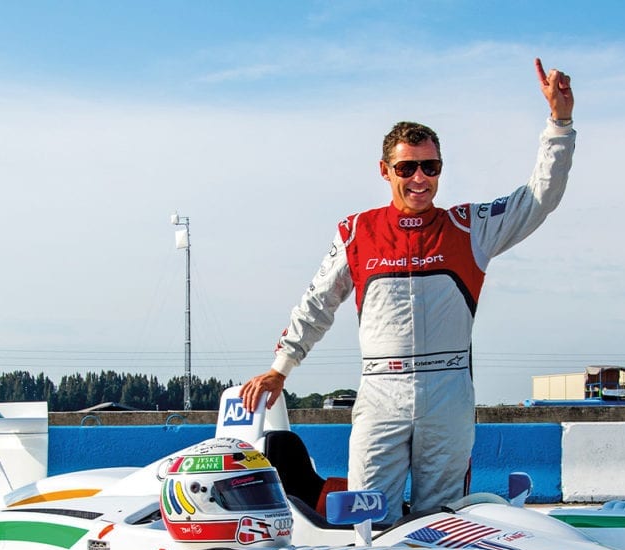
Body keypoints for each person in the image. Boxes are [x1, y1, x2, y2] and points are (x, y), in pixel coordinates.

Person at [241, 58, 575, 521]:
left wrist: (559, 124)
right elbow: (316, 304)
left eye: (431, 166)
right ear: (385, 170)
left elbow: (540, 197)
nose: (420, 178)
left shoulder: (469, 226)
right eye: (408, 168)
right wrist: (281, 368)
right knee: (367, 514)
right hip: (381, 388)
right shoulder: (356, 232)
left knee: (441, 518)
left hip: (448, 387)